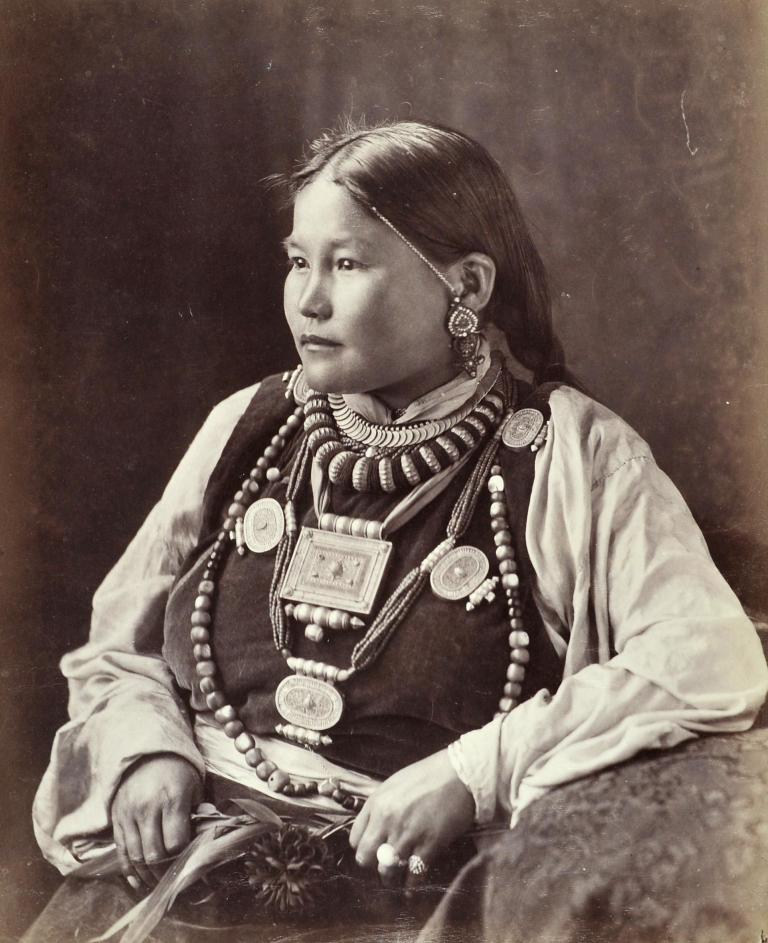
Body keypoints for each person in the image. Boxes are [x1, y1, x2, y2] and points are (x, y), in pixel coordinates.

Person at [28, 119, 768, 939]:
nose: (309, 299)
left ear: (470, 286)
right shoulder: (249, 422)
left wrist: (469, 772)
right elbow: (119, 641)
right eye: (297, 262)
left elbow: (705, 655)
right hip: (181, 864)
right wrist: (144, 750)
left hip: (417, 892)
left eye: (347, 264)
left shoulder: (573, 450)